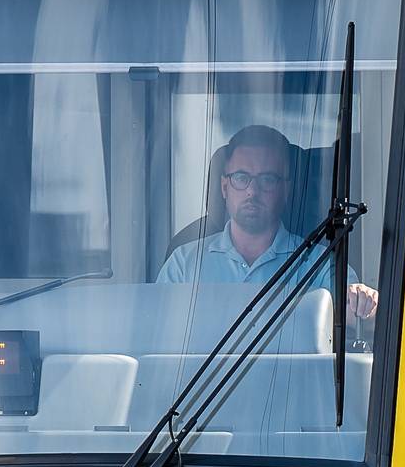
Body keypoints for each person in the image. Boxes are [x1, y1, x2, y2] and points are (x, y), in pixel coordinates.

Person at [156, 124, 378, 321]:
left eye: (267, 179)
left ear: (286, 190)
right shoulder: (183, 265)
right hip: (206, 371)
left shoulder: (320, 265)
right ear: (224, 187)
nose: (253, 191)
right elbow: (157, 332)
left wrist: (361, 300)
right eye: (241, 177)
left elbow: (352, 316)